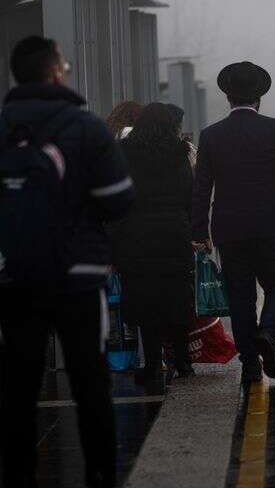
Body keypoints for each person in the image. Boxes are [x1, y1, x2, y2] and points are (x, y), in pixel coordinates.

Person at [0, 36, 133, 488]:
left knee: (17, 386)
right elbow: (119, 201)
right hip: (78, 276)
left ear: (16, 75)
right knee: (90, 381)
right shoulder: (87, 128)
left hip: (11, 277)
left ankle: (19, 476)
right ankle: (100, 475)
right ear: (56, 72)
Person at [192, 61, 275, 384]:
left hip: (229, 230)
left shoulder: (211, 136)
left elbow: (201, 188)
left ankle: (249, 365)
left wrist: (198, 232)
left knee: (240, 297)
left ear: (228, 99)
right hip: (272, 225)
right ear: (259, 99)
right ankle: (269, 334)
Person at [108, 103, 195, 391]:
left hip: (136, 235)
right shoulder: (180, 152)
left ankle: (152, 363)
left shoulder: (124, 152)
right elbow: (188, 193)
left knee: (144, 300)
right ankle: (183, 362)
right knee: (177, 296)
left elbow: (117, 196)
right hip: (174, 234)